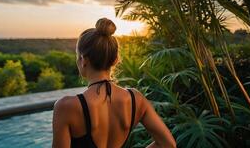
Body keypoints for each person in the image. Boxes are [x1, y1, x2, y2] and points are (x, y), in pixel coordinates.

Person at [52, 18, 176, 148]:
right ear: (116, 60)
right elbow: (168, 144)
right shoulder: (136, 99)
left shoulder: (66, 107)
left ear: (83, 60)